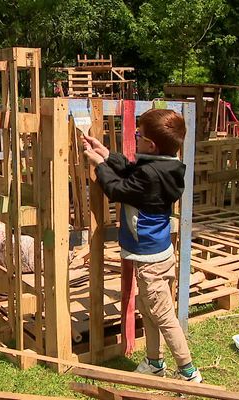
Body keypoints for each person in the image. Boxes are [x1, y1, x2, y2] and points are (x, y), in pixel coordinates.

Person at [81, 109, 202, 383]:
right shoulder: (167, 166)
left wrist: (99, 166)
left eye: (139, 135)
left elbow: (117, 189)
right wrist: (106, 154)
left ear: (151, 145)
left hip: (150, 261)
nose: (136, 138)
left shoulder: (149, 175)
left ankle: (188, 372)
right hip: (159, 254)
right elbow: (131, 169)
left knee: (163, 316)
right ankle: (154, 361)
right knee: (149, 310)